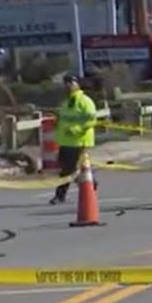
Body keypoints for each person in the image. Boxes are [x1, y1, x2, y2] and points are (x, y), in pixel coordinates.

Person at [49, 74, 99, 205]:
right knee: (70, 168)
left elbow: (91, 120)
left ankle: (60, 196)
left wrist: (76, 129)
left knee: (67, 170)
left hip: (79, 140)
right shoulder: (66, 103)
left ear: (78, 84)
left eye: (71, 82)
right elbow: (63, 119)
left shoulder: (85, 101)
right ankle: (91, 183)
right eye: (65, 82)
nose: (68, 85)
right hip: (65, 142)